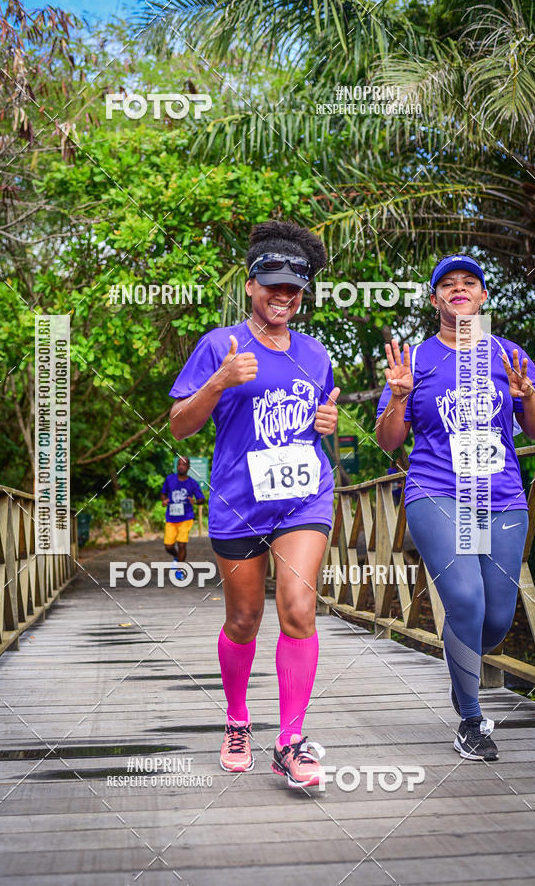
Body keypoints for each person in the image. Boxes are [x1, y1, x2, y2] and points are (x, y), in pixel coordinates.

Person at [168, 220, 339, 788]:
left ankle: (290, 741)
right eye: (272, 287)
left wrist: (328, 422)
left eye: (294, 289)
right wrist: (218, 381)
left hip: (303, 500)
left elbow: (318, 421)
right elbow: (180, 426)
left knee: (298, 609)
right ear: (250, 286)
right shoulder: (220, 345)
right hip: (239, 501)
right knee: (243, 620)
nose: (283, 297)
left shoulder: (315, 354)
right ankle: (238, 720)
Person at [375, 254, 535, 761]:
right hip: (439, 492)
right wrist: (398, 398)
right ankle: (472, 721)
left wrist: (526, 397)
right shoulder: (416, 359)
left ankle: (463, 669)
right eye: (448, 284)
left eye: (469, 282)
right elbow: (389, 440)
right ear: (434, 299)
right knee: (467, 601)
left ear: (483, 296)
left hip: (501, 497)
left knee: (494, 620)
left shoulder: (508, 354)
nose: (459, 289)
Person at [161, 456, 205, 570]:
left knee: (181, 544)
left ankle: (179, 569)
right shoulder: (170, 479)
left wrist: (195, 501)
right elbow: (163, 493)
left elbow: (202, 499)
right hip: (171, 518)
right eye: (179, 464)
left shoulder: (192, 483)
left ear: (188, 467)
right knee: (168, 546)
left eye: (184, 464)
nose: (181, 467)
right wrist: (164, 500)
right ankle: (177, 557)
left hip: (186, 517)